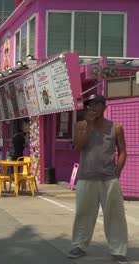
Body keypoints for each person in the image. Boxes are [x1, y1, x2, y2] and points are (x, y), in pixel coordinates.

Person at [68, 94, 128, 263]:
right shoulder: (80, 125)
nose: (92, 107)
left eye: (96, 104)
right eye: (89, 105)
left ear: (104, 107)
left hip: (109, 179)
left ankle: (118, 249)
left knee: (115, 215)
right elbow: (79, 146)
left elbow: (122, 151)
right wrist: (88, 126)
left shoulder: (116, 127)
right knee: (83, 214)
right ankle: (78, 245)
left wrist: (117, 172)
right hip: (86, 177)